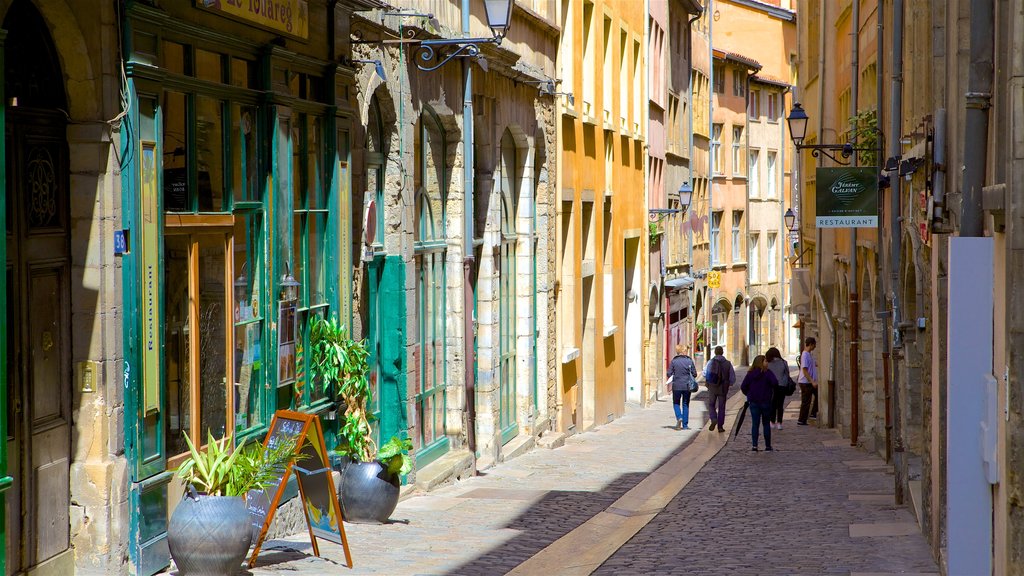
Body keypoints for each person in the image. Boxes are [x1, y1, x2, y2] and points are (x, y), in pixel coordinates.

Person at [740, 354, 779, 451]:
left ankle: (754, 445)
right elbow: (775, 383)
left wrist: (749, 394)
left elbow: (743, 386)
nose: (767, 363)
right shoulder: (768, 373)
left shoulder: (750, 374)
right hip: (765, 401)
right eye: (765, 361)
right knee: (766, 423)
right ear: (760, 363)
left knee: (755, 424)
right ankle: (768, 446)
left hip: (754, 402)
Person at [703, 346, 735, 432]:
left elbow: (704, 373)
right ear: (722, 352)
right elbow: (732, 377)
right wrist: (730, 383)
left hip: (712, 386)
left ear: (715, 353)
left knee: (711, 404)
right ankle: (720, 426)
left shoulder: (710, 362)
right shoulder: (728, 363)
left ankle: (713, 418)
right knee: (722, 407)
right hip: (723, 387)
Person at [667, 344, 698, 430]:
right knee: (685, 404)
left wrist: (674, 375)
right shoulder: (689, 361)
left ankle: (679, 417)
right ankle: (685, 425)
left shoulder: (674, 361)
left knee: (676, 403)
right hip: (687, 386)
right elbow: (694, 374)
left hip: (676, 386)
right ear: (684, 351)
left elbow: (669, 373)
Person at [764, 347, 791, 429]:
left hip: (771, 386)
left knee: (772, 404)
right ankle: (779, 423)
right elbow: (787, 374)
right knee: (780, 405)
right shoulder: (783, 362)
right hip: (782, 386)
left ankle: (772, 421)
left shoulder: (768, 363)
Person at [797, 337, 819, 425]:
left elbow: (812, 365)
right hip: (805, 382)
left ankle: (813, 413)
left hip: (809, 381)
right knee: (806, 401)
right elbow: (805, 370)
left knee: (817, 395)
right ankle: (802, 420)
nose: (815, 347)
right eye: (814, 345)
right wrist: (812, 381)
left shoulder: (809, 354)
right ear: (810, 344)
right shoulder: (805, 354)